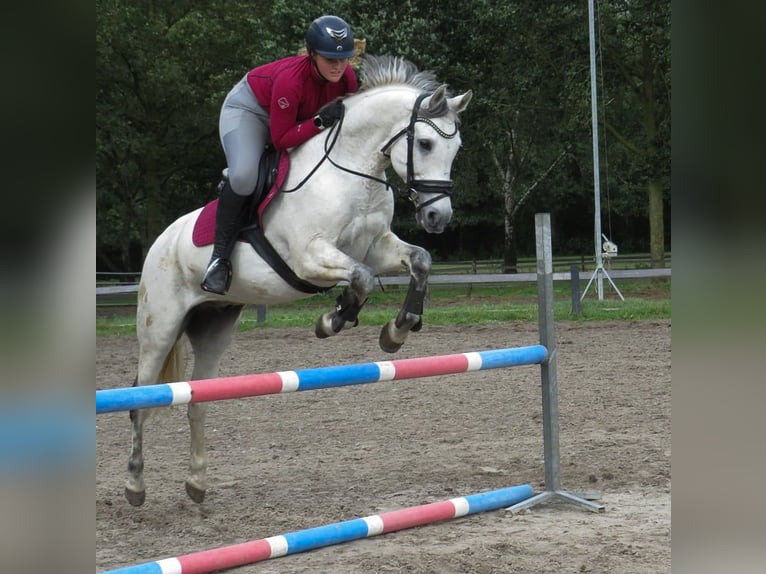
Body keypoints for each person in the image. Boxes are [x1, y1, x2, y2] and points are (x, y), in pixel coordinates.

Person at [201, 15, 358, 295]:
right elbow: (281, 139)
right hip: (250, 112)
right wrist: (319, 122)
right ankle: (219, 260)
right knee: (245, 176)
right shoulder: (290, 81)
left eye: (344, 58)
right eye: (329, 59)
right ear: (312, 55)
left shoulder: (347, 78)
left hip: (292, 117)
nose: (338, 65)